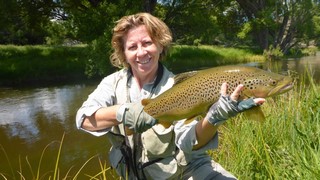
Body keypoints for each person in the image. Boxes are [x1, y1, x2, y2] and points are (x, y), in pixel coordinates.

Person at [76, 12, 265, 179]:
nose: (141, 52)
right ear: (124, 54)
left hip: (182, 173)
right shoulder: (112, 83)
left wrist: (214, 118)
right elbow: (83, 119)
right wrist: (122, 113)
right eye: (132, 47)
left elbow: (190, 142)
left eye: (147, 43)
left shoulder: (178, 88)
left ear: (160, 46)